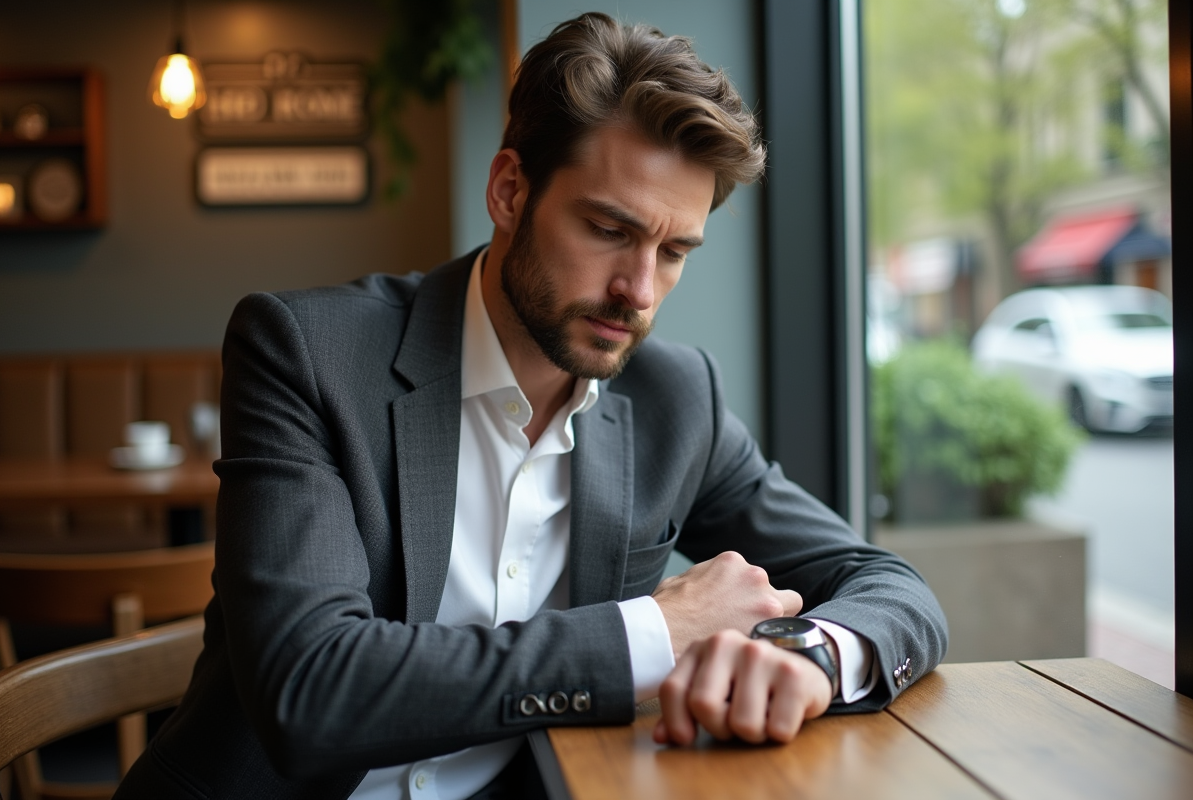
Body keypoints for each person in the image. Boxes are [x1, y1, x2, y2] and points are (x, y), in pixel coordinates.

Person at [116, 12, 946, 800]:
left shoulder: (675, 400)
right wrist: (654, 634)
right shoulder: (307, 352)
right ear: (511, 192)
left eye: (674, 250)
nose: (639, 290)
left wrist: (812, 656)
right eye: (609, 230)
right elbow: (312, 688)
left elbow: (889, 587)